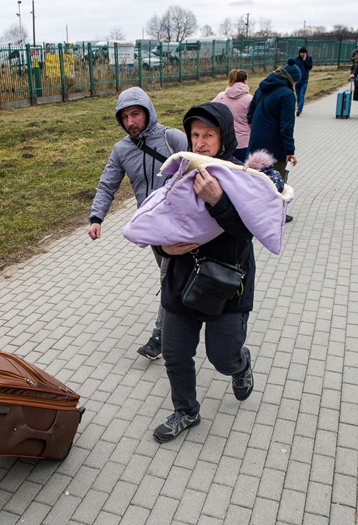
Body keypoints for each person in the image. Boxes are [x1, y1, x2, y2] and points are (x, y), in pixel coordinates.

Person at [152, 102, 255, 443]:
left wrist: (218, 201)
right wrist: (164, 249)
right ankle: (186, 411)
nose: (199, 143)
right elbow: (157, 225)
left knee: (222, 358)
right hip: (182, 280)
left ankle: (240, 365)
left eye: (208, 135)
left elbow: (248, 232)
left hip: (226, 285)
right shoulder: (178, 174)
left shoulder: (242, 177)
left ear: (224, 137)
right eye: (194, 134)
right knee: (176, 353)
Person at [89, 86, 188, 360]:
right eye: (125, 117)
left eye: (135, 114)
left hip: (181, 226)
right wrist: (97, 218)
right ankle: (188, 318)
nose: (130, 122)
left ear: (147, 112)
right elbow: (107, 184)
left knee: (169, 280)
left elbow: (203, 167)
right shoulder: (121, 150)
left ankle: (160, 337)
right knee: (176, 281)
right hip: (153, 230)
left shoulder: (172, 139)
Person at [247, 58, 300, 223]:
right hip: (275, 145)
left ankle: (255, 211)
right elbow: (286, 126)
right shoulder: (287, 94)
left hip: (256, 141)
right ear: (292, 79)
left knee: (256, 178)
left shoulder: (261, 89)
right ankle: (276, 213)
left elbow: (249, 115)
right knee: (277, 178)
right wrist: (290, 150)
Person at [212, 68, 252, 162]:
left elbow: (210, 112)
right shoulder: (250, 99)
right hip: (244, 143)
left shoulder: (220, 97)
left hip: (225, 143)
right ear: (245, 81)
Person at [294, 47, 313, 116]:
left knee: (302, 95)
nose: (302, 54)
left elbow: (310, 67)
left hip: (304, 80)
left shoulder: (309, 58)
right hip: (297, 80)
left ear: (306, 53)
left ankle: (299, 109)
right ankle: (299, 106)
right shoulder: (296, 59)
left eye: (303, 53)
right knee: (298, 95)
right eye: (301, 53)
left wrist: (305, 61)